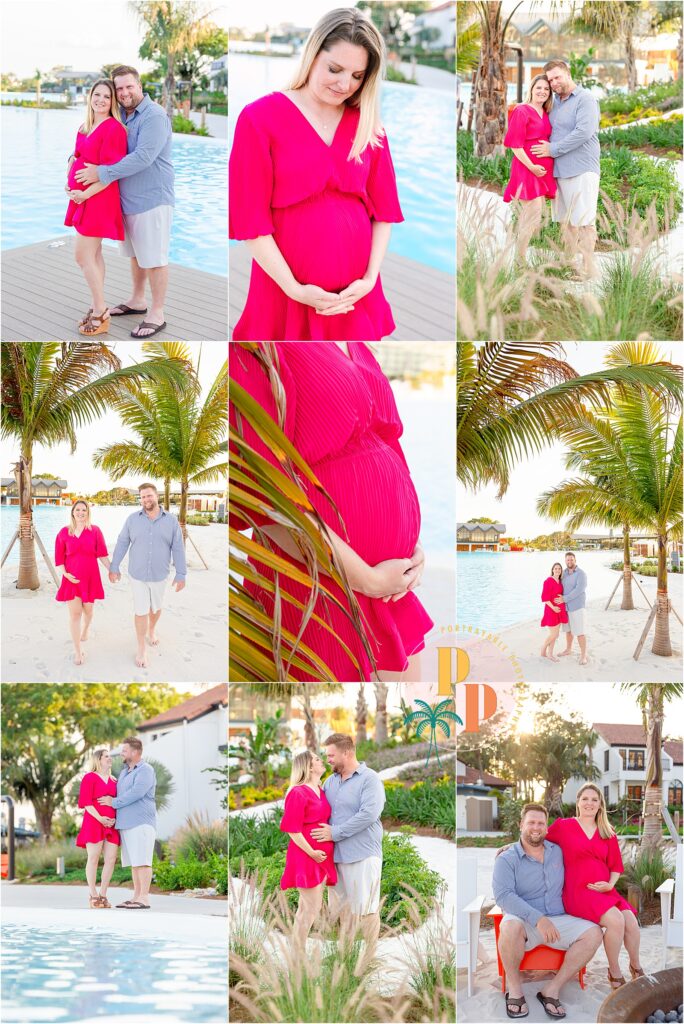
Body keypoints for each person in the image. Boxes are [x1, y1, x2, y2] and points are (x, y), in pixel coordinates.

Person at [230, 342, 433, 682]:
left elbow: (387, 443)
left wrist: (413, 548)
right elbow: (263, 496)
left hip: (389, 588)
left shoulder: (357, 343)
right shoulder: (257, 347)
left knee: (412, 720)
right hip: (320, 585)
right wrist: (367, 580)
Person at [229, 7, 403, 341]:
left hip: (355, 294)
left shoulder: (369, 126)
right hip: (285, 291)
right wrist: (295, 290)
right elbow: (250, 221)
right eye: (335, 69)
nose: (344, 84)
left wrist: (369, 279)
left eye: (357, 76)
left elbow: (384, 212)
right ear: (312, 55)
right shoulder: (259, 118)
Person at [74, 65, 174, 339]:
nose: (124, 92)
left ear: (139, 86)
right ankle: (137, 300)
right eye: (119, 88)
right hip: (127, 200)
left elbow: (143, 157)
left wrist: (100, 172)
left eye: (129, 86)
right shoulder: (124, 116)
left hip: (152, 199)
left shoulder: (154, 116)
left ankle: (157, 313)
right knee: (136, 255)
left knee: (154, 259)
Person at [493, 802, 603, 1020]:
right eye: (531, 822)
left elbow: (588, 854)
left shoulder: (558, 852)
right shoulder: (507, 859)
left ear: (546, 827)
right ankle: (515, 991)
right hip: (525, 921)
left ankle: (551, 991)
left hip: (559, 919)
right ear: (520, 825)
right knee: (509, 926)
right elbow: (503, 896)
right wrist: (538, 919)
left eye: (541, 823)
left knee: (594, 933)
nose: (536, 827)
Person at [546, 783, 644, 990]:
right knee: (617, 921)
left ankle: (635, 966)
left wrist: (610, 884)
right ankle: (614, 971)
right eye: (585, 799)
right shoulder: (563, 826)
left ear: (600, 805)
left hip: (606, 891)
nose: (589, 803)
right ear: (578, 802)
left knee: (631, 922)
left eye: (594, 800)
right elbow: (537, 839)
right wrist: (512, 846)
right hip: (578, 892)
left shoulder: (607, 831)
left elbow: (616, 866)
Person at [310, 733, 385, 954]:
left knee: (367, 909)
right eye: (326, 756)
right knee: (343, 912)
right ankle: (346, 958)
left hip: (363, 854)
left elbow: (369, 814)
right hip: (336, 858)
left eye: (332, 755)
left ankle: (369, 959)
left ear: (348, 752)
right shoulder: (329, 782)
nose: (328, 760)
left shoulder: (370, 779)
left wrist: (335, 833)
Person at [64, 79, 127, 336]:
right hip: (81, 197)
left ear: (113, 102)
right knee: (95, 254)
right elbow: (77, 155)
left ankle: (101, 310)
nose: (101, 100)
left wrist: (85, 194)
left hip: (98, 198)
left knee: (82, 256)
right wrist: (69, 174)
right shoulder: (85, 126)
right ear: (90, 97)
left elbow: (110, 173)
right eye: (97, 94)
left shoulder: (115, 130)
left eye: (107, 96)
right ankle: (96, 304)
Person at [530, 60, 601, 281]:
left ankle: (589, 271)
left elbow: (584, 132)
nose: (553, 83)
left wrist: (552, 149)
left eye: (557, 77)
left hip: (582, 168)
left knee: (584, 223)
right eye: (550, 80)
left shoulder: (585, 99)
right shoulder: (554, 102)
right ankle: (571, 267)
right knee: (567, 223)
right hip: (559, 171)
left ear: (568, 74)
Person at [108, 483, 187, 668]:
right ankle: (141, 647)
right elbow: (121, 543)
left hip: (160, 574)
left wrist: (181, 573)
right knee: (141, 609)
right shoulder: (132, 520)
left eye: (149, 496)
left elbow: (178, 547)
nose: (146, 500)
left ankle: (152, 629)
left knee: (156, 607)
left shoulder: (171, 521)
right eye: (142, 497)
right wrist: (114, 566)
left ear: (156, 496)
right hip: (137, 575)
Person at [280, 750, 337, 947]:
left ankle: (297, 953)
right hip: (306, 856)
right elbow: (292, 830)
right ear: (309, 766)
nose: (323, 762)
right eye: (318, 760)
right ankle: (298, 954)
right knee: (312, 908)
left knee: (306, 908)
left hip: (321, 857)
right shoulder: (298, 792)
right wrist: (312, 852)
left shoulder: (321, 790)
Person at [503, 75, 557, 265]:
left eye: (546, 89)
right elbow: (515, 145)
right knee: (533, 213)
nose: (542, 91)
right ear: (531, 89)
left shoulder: (546, 112)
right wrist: (532, 167)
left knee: (533, 216)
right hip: (527, 168)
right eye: (539, 87)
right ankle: (520, 258)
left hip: (542, 171)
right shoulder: (522, 110)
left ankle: (518, 249)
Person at [99, 736, 156, 910]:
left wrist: (113, 803)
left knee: (143, 861)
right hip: (125, 824)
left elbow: (136, 793)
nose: (121, 754)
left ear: (134, 752)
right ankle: (136, 896)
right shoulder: (124, 772)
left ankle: (144, 898)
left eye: (124, 750)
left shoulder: (145, 770)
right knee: (134, 862)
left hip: (141, 823)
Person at [55, 499, 112, 666]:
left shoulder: (95, 531)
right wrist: (65, 574)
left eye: (84, 510)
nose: (80, 513)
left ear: (88, 513)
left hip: (90, 579)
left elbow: (102, 554)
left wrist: (111, 569)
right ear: (72, 512)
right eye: (78, 510)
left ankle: (86, 629)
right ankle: (78, 651)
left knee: (88, 612)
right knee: (75, 614)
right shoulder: (64, 532)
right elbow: (59, 558)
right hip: (71, 580)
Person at [75, 746, 120, 908]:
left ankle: (103, 895)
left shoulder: (115, 780)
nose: (110, 758)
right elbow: (86, 803)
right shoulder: (89, 778)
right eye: (106, 756)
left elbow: (117, 802)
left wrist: (114, 820)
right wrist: (101, 818)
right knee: (93, 858)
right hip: (94, 822)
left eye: (110, 756)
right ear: (98, 759)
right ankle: (93, 894)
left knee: (111, 859)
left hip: (112, 825)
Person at [557, 552, 588, 665]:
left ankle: (583, 655)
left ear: (575, 560)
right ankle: (568, 649)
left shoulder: (581, 574)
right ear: (565, 561)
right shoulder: (564, 573)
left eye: (571, 560)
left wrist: (565, 598)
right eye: (567, 560)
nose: (569, 562)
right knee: (568, 631)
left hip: (577, 607)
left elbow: (579, 589)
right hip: (566, 608)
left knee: (580, 632)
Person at [540, 561, 568, 662]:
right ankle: (544, 649)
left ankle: (549, 653)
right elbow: (545, 598)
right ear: (552, 570)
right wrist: (553, 608)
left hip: (559, 610)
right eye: (555, 568)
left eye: (559, 569)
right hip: (551, 610)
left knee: (556, 634)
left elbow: (561, 593)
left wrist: (563, 598)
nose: (557, 570)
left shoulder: (560, 582)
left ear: (561, 571)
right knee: (554, 634)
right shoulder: (548, 581)